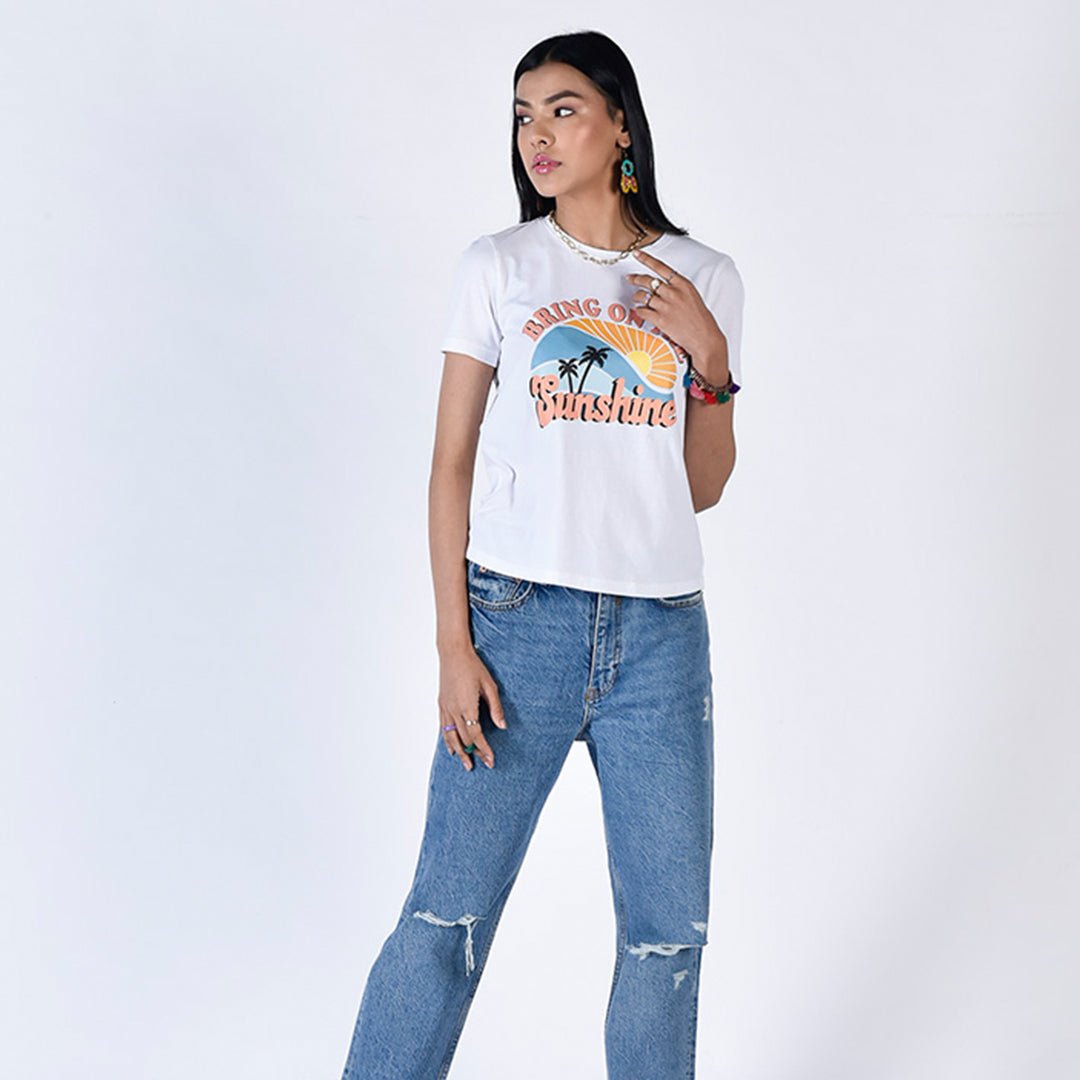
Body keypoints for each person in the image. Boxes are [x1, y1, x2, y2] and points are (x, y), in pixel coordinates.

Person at [340, 28, 744, 1080]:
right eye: (524, 115)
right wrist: (453, 646)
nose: (538, 135)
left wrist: (710, 358)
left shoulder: (704, 276)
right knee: (445, 921)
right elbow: (450, 465)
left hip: (661, 642)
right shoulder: (500, 267)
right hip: (519, 628)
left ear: (621, 125)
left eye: (563, 109)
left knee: (666, 944)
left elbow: (699, 486)